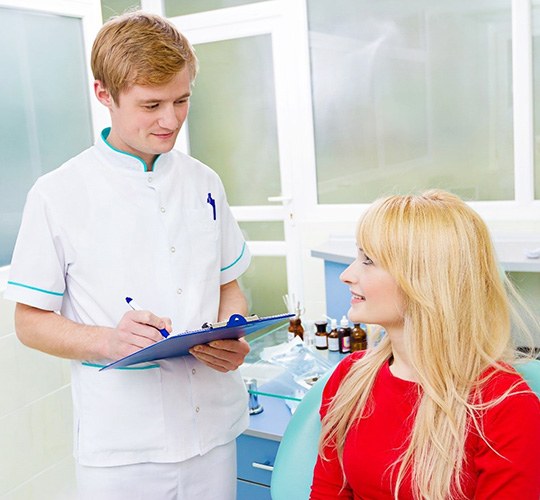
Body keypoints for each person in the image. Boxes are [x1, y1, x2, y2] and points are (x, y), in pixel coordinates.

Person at [4, 11, 252, 500]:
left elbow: (227, 284)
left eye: (182, 100)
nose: (171, 119)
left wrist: (235, 328)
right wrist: (108, 341)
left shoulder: (204, 182)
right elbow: (29, 321)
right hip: (123, 448)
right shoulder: (58, 193)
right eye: (151, 104)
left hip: (213, 433)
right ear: (104, 94)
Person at [310, 190, 540, 499]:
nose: (348, 275)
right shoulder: (351, 378)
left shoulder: (505, 406)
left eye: (368, 260)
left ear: (424, 280)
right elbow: (328, 491)